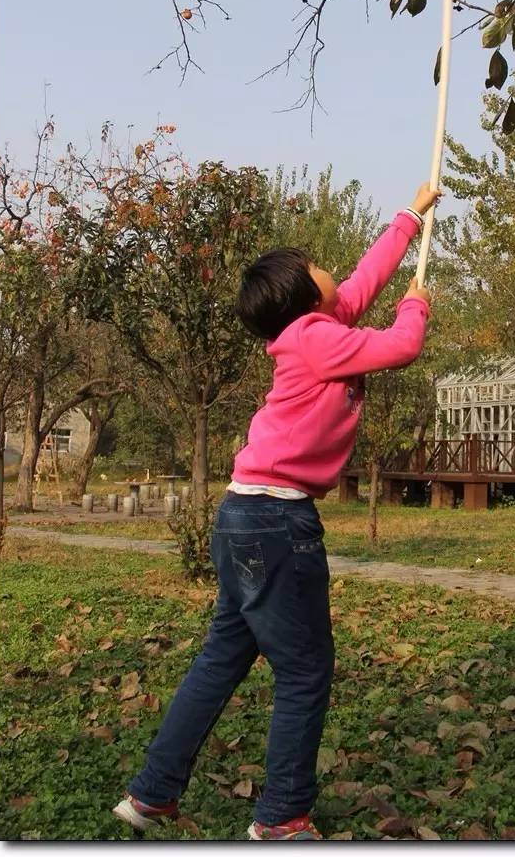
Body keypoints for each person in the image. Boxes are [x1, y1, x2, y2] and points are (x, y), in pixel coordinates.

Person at [113, 184, 440, 840]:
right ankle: (282, 816)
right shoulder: (317, 337)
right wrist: (416, 305)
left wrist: (409, 216)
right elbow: (400, 344)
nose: (330, 270)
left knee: (222, 656)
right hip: (275, 522)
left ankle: (151, 794)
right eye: (315, 264)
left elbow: (360, 281)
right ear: (302, 294)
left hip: (244, 515)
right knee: (304, 669)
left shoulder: (317, 324)